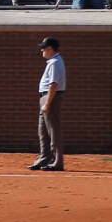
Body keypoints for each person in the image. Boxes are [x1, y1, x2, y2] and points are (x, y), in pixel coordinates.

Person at [33, 36, 67, 171]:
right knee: (43, 130)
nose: (42, 50)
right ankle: (44, 157)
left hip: (51, 97)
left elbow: (53, 84)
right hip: (46, 97)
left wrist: (47, 103)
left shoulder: (55, 63)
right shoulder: (52, 62)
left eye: (43, 48)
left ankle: (57, 162)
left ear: (50, 49)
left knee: (53, 130)